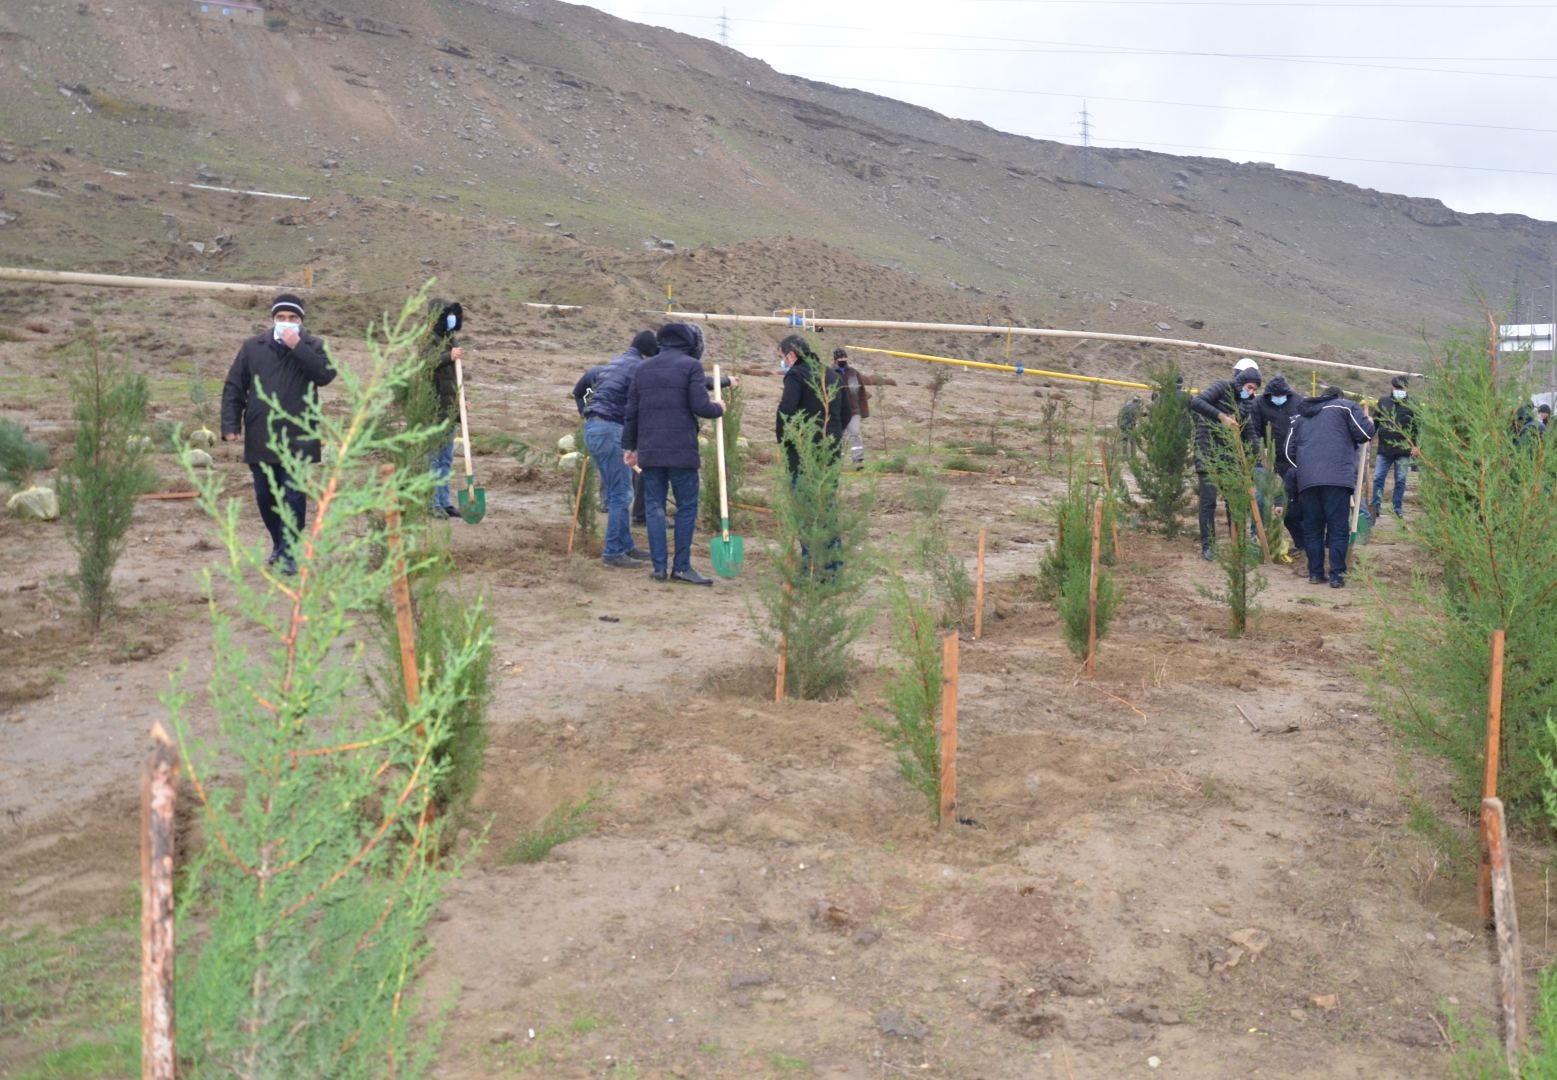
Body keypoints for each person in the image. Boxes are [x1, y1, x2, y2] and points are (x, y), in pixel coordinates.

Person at [221, 293, 335, 575]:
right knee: (265, 496)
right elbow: (235, 387)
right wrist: (230, 425)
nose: (287, 323)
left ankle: (290, 553)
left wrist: (298, 347)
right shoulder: (253, 348)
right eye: (281, 318)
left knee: (293, 496)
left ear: (301, 321)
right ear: (273, 319)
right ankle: (280, 544)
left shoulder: (313, 346)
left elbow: (325, 375)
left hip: (299, 434)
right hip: (262, 434)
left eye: (293, 318)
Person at [621, 322, 725, 585]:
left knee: (654, 506)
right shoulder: (691, 366)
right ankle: (681, 567)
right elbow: (700, 406)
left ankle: (659, 568)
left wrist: (630, 448)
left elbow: (631, 412)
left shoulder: (642, 368)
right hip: (681, 451)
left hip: (651, 451)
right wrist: (718, 407)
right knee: (686, 507)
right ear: (688, 342)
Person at [574, 331, 658, 567]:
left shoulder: (618, 361)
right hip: (610, 429)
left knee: (618, 490)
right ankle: (613, 552)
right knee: (622, 493)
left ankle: (626, 546)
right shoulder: (639, 368)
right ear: (648, 354)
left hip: (595, 428)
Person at [1285, 386, 1376, 588]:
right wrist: (1370, 423)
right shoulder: (1345, 407)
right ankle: (1337, 575)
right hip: (1337, 479)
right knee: (1338, 528)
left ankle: (1315, 573)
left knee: (1313, 528)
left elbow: (1288, 452)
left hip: (1307, 481)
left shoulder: (1300, 416)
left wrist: (1305, 468)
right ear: (1338, 397)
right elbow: (1363, 434)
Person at [1189, 365, 1262, 560]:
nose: (1251, 392)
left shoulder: (1247, 404)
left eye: (1255, 389)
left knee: (1235, 501)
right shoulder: (1222, 388)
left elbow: (1250, 431)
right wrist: (1221, 417)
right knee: (1209, 502)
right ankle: (1208, 546)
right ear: (1240, 382)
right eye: (1249, 387)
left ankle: (1238, 543)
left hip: (1230, 458)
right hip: (1207, 453)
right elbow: (1196, 402)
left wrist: (1260, 454)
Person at [777, 335, 850, 480]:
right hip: (831, 447)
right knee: (827, 493)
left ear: (791, 355)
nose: (782, 362)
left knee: (802, 493)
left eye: (781, 357)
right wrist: (833, 433)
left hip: (803, 449)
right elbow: (847, 412)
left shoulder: (795, 374)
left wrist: (784, 440)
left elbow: (786, 410)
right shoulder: (832, 375)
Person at [1252, 374, 1305, 558]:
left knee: (1292, 503)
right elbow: (1255, 431)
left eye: (1282, 394)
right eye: (1276, 395)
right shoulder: (1259, 404)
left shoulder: (1297, 401)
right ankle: (1259, 539)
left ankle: (1302, 543)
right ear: (1269, 394)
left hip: (1292, 461)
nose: (1279, 398)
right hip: (1266, 459)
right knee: (1263, 498)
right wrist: (1262, 451)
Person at [422, 298, 464, 518]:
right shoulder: (428, 339)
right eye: (447, 314)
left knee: (446, 458)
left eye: (453, 314)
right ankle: (432, 504)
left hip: (449, 409)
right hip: (433, 410)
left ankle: (444, 501)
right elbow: (427, 362)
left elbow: (452, 380)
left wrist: (461, 402)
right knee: (433, 458)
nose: (451, 318)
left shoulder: (450, 339)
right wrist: (449, 356)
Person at [1370, 375, 1418, 520]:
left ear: (1406, 388)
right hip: (1384, 450)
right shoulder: (1383, 401)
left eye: (1401, 388)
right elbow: (1375, 422)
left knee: (1401, 480)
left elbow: (1416, 427)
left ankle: (1397, 509)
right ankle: (1375, 508)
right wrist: (1369, 437)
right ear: (1392, 387)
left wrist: (1416, 446)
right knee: (1378, 478)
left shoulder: (1412, 404)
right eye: (1396, 387)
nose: (1398, 390)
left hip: (1403, 451)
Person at [831, 348, 870, 468]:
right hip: (838, 412)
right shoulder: (830, 373)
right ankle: (837, 462)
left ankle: (858, 461)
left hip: (854, 411)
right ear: (835, 360)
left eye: (844, 357)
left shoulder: (854, 373)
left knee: (855, 433)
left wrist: (864, 410)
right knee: (838, 437)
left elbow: (861, 392)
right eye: (840, 358)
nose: (842, 360)